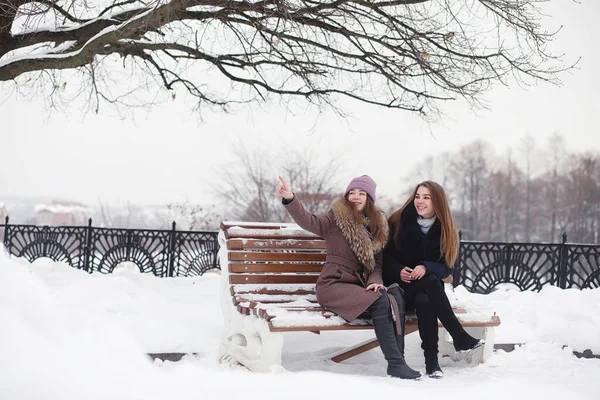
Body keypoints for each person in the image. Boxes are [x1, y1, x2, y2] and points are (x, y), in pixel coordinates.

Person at [277, 175, 421, 380]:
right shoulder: (334, 219)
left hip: (358, 288)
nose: (356, 197)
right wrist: (290, 198)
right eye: (352, 193)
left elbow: (376, 265)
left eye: (362, 193)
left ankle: (399, 361)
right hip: (333, 285)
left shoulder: (377, 226)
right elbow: (308, 220)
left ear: (369, 198)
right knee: (381, 299)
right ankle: (396, 364)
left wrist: (374, 282)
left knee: (393, 294)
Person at [383, 181, 484, 379]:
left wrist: (426, 266)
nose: (419, 201)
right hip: (400, 289)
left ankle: (432, 364)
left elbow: (447, 268)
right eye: (417, 196)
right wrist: (398, 270)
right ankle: (459, 336)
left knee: (425, 298)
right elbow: (385, 257)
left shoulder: (446, 229)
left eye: (426, 197)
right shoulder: (397, 220)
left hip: (427, 293)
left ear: (437, 202)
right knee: (430, 282)